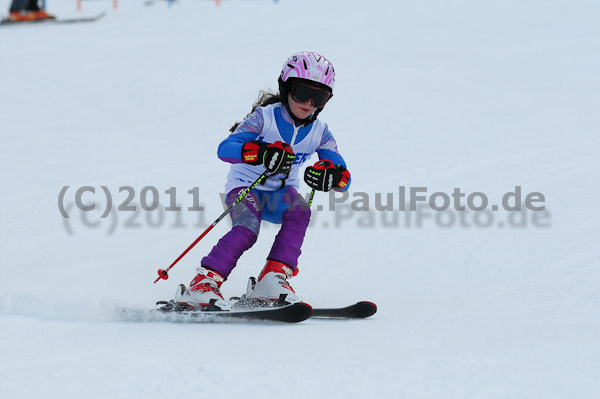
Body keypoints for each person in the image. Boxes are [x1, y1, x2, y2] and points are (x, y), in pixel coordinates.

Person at [177, 51, 351, 311]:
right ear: (286, 88)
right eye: (303, 92)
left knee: (300, 210)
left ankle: (272, 279)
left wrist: (332, 176)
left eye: (320, 97)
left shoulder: (319, 131)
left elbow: (342, 175)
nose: (310, 103)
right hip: (246, 188)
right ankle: (202, 283)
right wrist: (261, 152)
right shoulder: (264, 117)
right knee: (248, 229)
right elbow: (225, 148)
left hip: (280, 195)